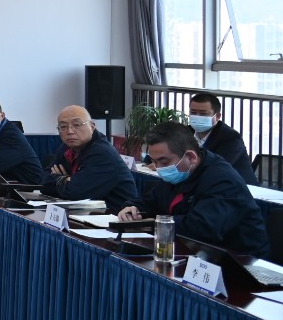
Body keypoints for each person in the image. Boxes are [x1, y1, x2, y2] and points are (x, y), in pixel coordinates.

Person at [119, 122, 270, 256]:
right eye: (154, 162)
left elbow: (201, 228)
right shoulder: (180, 173)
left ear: (191, 157)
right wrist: (132, 208)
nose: (159, 168)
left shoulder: (222, 180)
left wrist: (154, 223)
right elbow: (151, 200)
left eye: (163, 162)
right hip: (192, 252)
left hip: (239, 261)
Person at [42, 105, 140, 211]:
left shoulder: (102, 153)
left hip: (114, 216)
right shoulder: (67, 147)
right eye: (63, 126)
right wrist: (65, 180)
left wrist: (60, 179)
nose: (70, 131)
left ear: (92, 127)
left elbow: (75, 192)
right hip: (84, 213)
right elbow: (43, 181)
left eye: (76, 124)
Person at [186, 92, 259, 185]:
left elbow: (215, 169)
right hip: (203, 185)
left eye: (203, 114)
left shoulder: (231, 138)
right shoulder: (185, 132)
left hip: (237, 187)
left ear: (217, 116)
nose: (197, 117)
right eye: (193, 113)